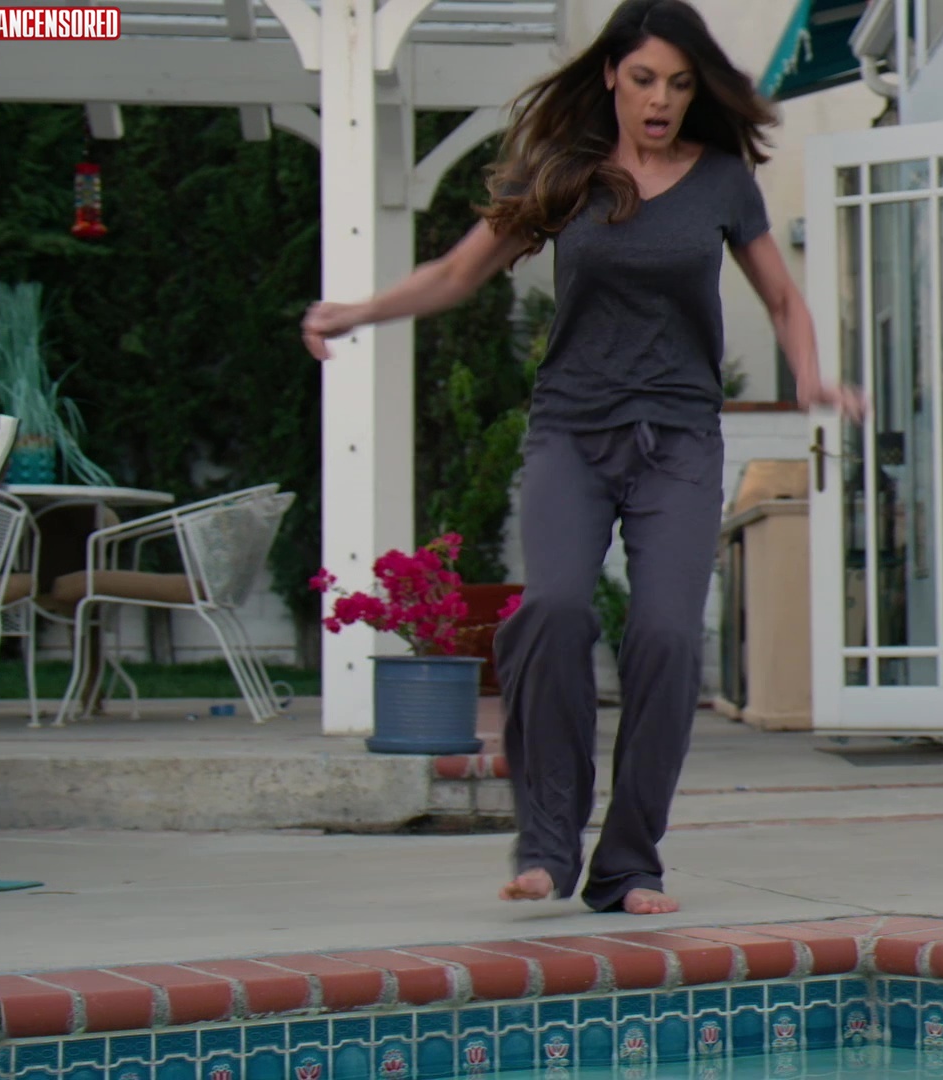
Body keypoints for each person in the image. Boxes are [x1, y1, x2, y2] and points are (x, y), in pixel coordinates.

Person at [301, 0, 866, 915]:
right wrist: (355, 312)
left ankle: (629, 863)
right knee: (555, 611)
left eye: (678, 84)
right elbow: (458, 272)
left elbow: (780, 299)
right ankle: (547, 843)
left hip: (678, 440)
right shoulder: (564, 173)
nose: (660, 100)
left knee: (667, 639)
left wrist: (807, 373)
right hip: (572, 430)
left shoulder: (723, 182)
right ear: (610, 76)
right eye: (643, 79)